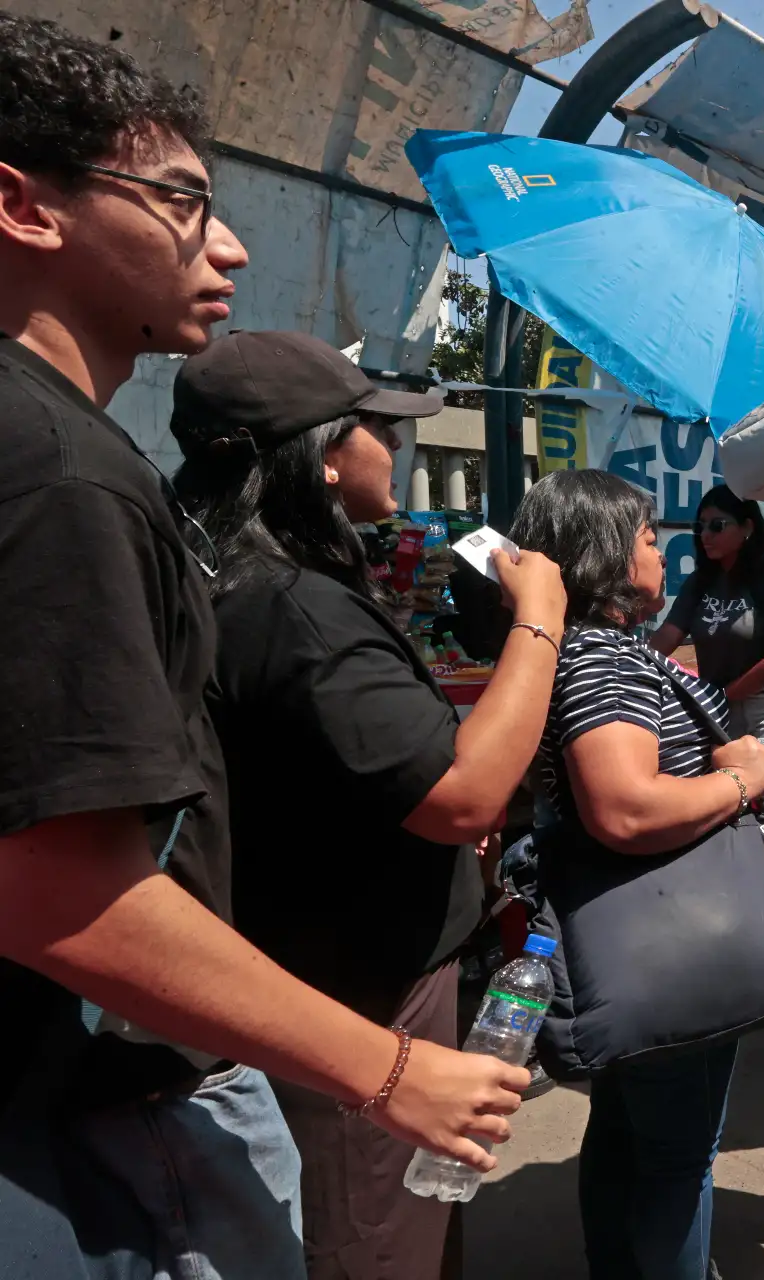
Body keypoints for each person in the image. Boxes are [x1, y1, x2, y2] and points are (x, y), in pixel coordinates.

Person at [0, 20, 527, 1278]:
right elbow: (65, 886)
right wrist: (388, 1066)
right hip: (115, 1106)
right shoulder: (63, 475)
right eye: (183, 202)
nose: (226, 242)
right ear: (23, 208)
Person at [171, 332, 568, 1278]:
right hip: (362, 1000)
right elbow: (465, 794)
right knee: (375, 1239)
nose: (398, 452)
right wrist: (540, 613)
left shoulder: (217, 574)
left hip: (303, 973)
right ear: (325, 452)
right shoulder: (295, 608)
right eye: (381, 429)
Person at [509, 470, 764, 1279]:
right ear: (600, 554)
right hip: (667, 935)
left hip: (626, 930)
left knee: (627, 1133)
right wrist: (747, 777)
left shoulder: (584, 652)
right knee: (677, 1156)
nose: (660, 548)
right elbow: (624, 810)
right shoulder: (606, 663)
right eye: (641, 535)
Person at [650, 484, 764, 808]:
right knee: (726, 813)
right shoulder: (700, 581)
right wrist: (626, 660)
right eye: (700, 526)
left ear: (747, 527)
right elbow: (668, 637)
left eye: (717, 525)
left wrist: (723, 694)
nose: (706, 535)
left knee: (756, 810)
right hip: (720, 714)